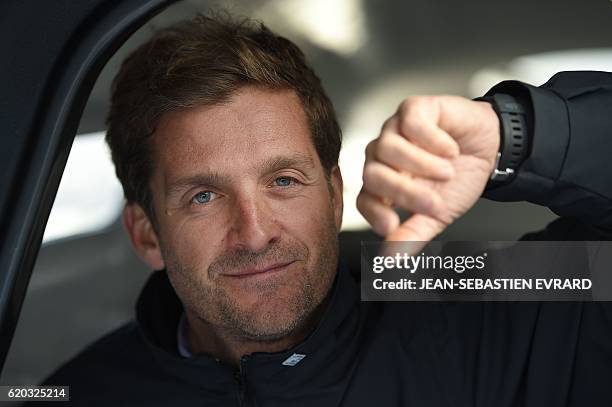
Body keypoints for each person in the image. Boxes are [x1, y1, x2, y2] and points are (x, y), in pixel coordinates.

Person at [37, 13, 612, 406]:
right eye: (204, 196)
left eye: (284, 180)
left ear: (336, 193)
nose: (255, 233)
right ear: (147, 235)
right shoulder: (82, 394)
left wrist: (515, 136)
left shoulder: (485, 308)